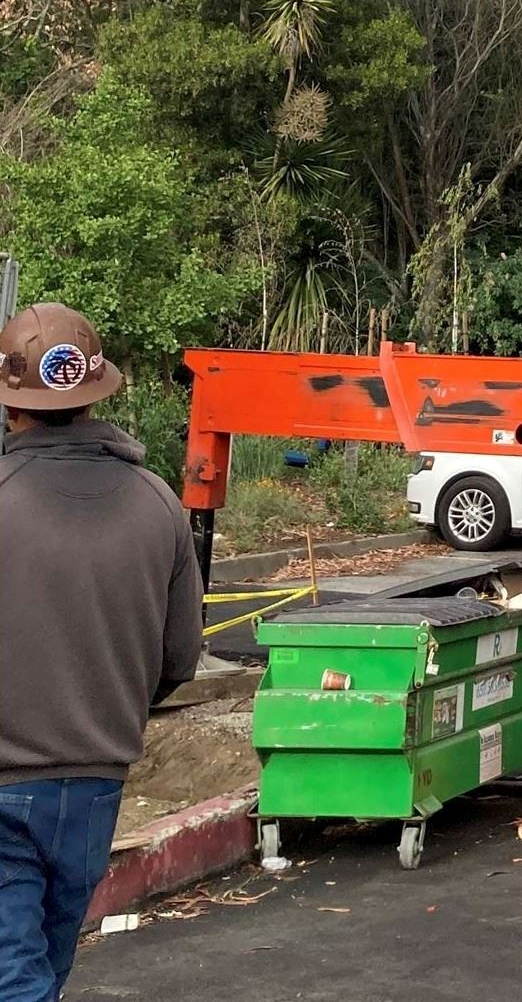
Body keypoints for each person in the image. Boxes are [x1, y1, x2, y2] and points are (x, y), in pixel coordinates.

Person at [0, 304, 202, 1001]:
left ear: (10, 406)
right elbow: (180, 659)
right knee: (44, 969)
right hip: (96, 786)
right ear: (96, 394)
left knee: (13, 974)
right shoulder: (158, 505)